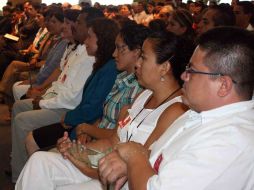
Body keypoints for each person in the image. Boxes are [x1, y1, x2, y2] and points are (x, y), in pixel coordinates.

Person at [15, 30, 193, 190]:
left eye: (144, 58)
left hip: (125, 180)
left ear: (164, 67)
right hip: (106, 167)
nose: (137, 63)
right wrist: (78, 151)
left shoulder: (175, 109)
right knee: (38, 162)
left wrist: (81, 163)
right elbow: (113, 141)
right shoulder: (144, 96)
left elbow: (128, 166)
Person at [99, 27, 254, 190]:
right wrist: (131, 161)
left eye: (191, 71)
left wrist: (133, 154)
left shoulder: (229, 141)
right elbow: (153, 157)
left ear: (223, 85)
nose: (183, 76)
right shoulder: (198, 114)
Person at [24, 22, 148, 155]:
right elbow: (102, 114)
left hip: (99, 143)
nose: (114, 53)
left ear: (136, 52)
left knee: (36, 150)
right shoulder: (120, 76)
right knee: (37, 151)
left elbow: (114, 130)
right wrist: (89, 130)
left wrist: (83, 127)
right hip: (87, 131)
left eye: (119, 48)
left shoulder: (122, 78)